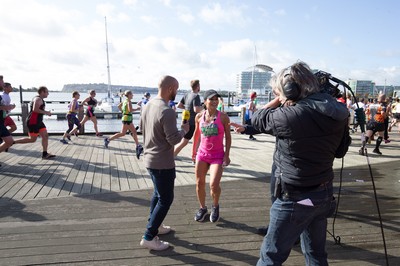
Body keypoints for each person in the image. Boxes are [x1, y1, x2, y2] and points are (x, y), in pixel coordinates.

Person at [231, 62, 350, 265]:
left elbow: (258, 117)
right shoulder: (337, 113)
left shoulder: (291, 116)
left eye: (281, 91)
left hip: (295, 198)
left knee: (270, 257)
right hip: (323, 194)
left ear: (291, 90)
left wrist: (279, 99)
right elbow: (341, 151)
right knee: (316, 255)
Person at [139, 75, 189, 251]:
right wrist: (184, 130)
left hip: (149, 159)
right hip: (163, 162)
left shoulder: (147, 105)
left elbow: (142, 129)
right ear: (170, 89)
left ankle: (156, 225)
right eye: (176, 88)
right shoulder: (167, 111)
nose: (177, 92)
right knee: (166, 199)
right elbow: (173, 139)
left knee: (158, 194)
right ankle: (149, 236)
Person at [191, 89, 231, 223]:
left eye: (216, 99)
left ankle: (215, 205)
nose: (214, 101)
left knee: (214, 184)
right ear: (205, 101)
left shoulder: (223, 117)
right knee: (199, 183)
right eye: (211, 99)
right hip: (202, 154)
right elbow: (196, 135)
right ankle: (202, 208)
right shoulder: (199, 117)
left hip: (217, 155)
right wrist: (193, 151)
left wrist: (227, 155)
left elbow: (228, 137)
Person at [14, 86, 56, 159]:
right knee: (32, 139)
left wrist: (45, 113)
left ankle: (45, 154)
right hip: (33, 121)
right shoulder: (38, 99)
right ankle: (11, 142)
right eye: (47, 92)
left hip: (39, 121)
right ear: (42, 92)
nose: (48, 94)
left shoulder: (40, 99)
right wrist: (46, 112)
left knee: (45, 136)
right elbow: (35, 109)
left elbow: (38, 110)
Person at [104, 90, 143, 159]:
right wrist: (137, 108)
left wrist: (123, 111)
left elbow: (119, 106)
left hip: (125, 118)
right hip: (127, 119)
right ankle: (138, 146)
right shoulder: (128, 101)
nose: (133, 95)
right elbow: (130, 110)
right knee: (133, 131)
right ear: (129, 95)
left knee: (123, 133)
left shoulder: (125, 101)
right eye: (132, 94)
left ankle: (108, 139)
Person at [174, 79, 203, 157]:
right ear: (198, 86)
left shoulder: (187, 95)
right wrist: (204, 106)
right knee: (190, 141)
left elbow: (178, 105)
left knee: (185, 141)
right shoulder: (196, 96)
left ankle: (173, 154)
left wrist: (187, 108)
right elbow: (196, 109)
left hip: (185, 121)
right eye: (199, 85)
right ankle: (173, 155)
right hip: (193, 122)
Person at [0, 80, 16, 157]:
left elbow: (5, 106)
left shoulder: (6, 95)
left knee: (14, 128)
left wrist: (10, 106)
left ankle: (3, 140)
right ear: (5, 88)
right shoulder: (3, 96)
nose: (11, 88)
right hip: (4, 116)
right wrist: (9, 107)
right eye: (10, 87)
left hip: (6, 115)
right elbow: (4, 106)